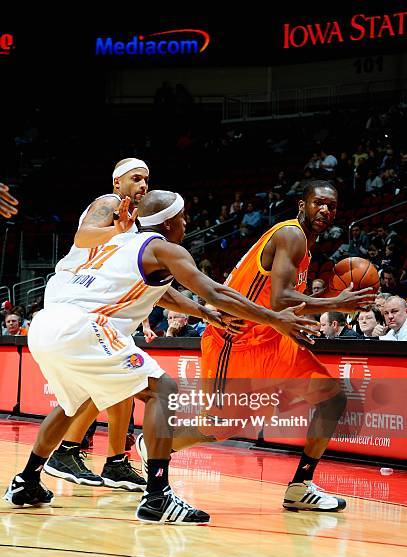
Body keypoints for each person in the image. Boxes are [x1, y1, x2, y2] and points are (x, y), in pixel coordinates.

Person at [4, 189, 318, 525]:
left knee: (74, 403)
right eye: (182, 218)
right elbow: (216, 291)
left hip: (44, 325)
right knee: (163, 389)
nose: (185, 223)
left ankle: (26, 481)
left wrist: (203, 314)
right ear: (169, 222)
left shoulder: (121, 242)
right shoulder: (162, 248)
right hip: (84, 326)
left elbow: (161, 292)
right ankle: (158, 497)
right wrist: (274, 318)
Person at [136, 181, 376, 513]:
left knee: (332, 398)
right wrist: (337, 302)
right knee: (219, 428)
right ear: (300, 205)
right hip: (235, 340)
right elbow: (280, 299)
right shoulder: (290, 235)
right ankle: (157, 444)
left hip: (272, 337)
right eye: (318, 203)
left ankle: (299, 487)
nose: (325, 210)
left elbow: (278, 303)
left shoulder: (305, 243)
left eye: (331, 206)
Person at [42, 158, 155, 490]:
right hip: (74, 294)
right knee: (111, 377)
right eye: (136, 178)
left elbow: (131, 278)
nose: (144, 185)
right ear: (117, 182)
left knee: (123, 379)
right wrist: (116, 230)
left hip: (103, 304)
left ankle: (116, 460)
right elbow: (83, 236)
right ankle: (67, 451)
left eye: (147, 180)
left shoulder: (135, 226)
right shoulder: (108, 204)